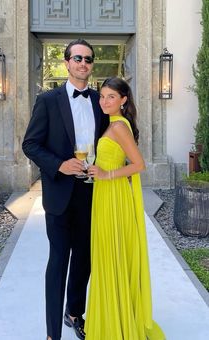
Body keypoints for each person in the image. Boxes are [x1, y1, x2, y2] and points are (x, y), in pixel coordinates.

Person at [22, 39, 108, 340]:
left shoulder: (101, 102)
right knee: (59, 260)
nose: (83, 63)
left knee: (84, 258)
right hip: (59, 193)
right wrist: (59, 164)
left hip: (92, 192)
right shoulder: (48, 100)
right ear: (67, 63)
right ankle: (52, 334)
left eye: (88, 59)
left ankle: (74, 313)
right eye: (77, 58)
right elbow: (30, 144)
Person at [84, 77, 165, 339]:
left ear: (123, 99)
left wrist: (106, 175)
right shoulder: (112, 124)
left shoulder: (119, 126)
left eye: (110, 97)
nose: (104, 101)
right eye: (102, 96)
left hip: (114, 196)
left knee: (112, 253)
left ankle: (116, 323)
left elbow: (139, 165)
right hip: (105, 194)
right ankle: (114, 315)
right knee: (107, 255)